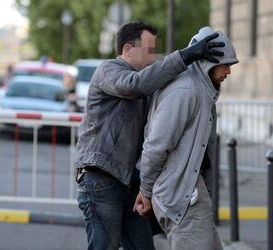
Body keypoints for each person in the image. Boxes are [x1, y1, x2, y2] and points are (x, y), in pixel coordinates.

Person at [75, 21, 225, 250]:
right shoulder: (108, 70)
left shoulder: (149, 83)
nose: (154, 57)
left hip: (128, 182)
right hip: (101, 178)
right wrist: (185, 56)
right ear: (127, 49)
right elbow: (134, 85)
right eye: (149, 50)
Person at [134, 27, 238, 249]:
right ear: (208, 62)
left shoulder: (202, 89)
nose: (229, 71)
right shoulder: (186, 90)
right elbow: (156, 146)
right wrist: (145, 190)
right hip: (181, 195)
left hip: (188, 191)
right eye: (226, 64)